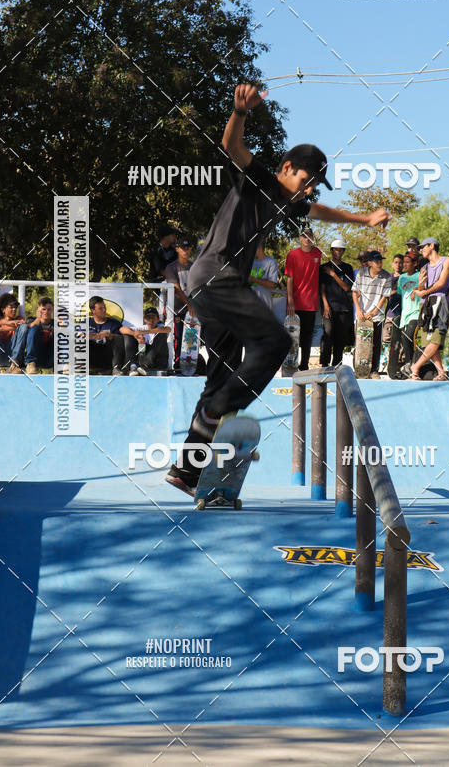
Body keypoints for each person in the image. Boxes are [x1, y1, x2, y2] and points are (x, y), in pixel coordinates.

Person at [166, 82, 390, 494]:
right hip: (218, 277)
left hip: (207, 283)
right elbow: (232, 146)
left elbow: (320, 210)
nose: (306, 191)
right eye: (304, 180)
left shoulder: (290, 200)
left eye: (311, 186)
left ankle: (186, 469)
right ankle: (221, 409)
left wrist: (363, 220)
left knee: (221, 372)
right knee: (273, 342)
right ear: (286, 167)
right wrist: (241, 112)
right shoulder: (257, 180)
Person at [410, 238, 449, 380]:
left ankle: (415, 366)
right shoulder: (425, 267)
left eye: (423, 247)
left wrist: (424, 291)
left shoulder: (446, 261)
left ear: (432, 246)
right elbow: (421, 288)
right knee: (429, 341)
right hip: (425, 304)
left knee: (436, 339)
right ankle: (441, 372)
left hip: (440, 303)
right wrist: (420, 284)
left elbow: (442, 283)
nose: (420, 250)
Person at [285, 228, 322, 371]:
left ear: (312, 238)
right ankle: (290, 364)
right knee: (292, 337)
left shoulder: (318, 253)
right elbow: (289, 279)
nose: (307, 239)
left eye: (309, 236)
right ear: (300, 238)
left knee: (307, 338)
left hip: (311, 303)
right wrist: (290, 302)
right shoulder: (292, 255)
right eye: (304, 236)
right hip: (295, 303)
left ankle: (304, 366)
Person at [351, 251, 391, 378]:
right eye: (376, 261)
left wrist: (375, 311)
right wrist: (358, 309)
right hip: (362, 313)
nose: (379, 264)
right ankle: (358, 370)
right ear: (369, 263)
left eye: (381, 261)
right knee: (360, 342)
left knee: (376, 343)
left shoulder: (386, 276)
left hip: (376, 314)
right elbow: (354, 292)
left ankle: (374, 370)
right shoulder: (361, 273)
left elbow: (384, 296)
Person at [320, 239, 354, 367]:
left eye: (340, 250)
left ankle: (337, 365)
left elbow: (347, 287)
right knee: (328, 333)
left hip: (343, 307)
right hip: (329, 307)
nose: (338, 252)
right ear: (331, 250)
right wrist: (325, 305)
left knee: (340, 339)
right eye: (335, 249)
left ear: (343, 251)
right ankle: (324, 364)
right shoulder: (324, 267)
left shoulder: (348, 268)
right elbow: (321, 288)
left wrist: (334, 275)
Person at [164, 238, 195, 370]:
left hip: (193, 310)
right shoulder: (172, 267)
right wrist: (189, 305)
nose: (186, 251)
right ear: (177, 249)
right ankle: (177, 366)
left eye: (188, 248)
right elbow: (176, 289)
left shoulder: (194, 266)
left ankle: (190, 366)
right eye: (183, 248)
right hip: (177, 310)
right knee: (178, 338)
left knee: (192, 340)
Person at [0, 293, 28, 373]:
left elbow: (21, 326)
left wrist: (0, 329)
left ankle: (15, 364)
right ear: (3, 309)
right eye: (11, 307)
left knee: (23, 327)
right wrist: (6, 322)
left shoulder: (19, 318)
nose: (14, 309)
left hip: (13, 356)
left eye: (15, 308)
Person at [120, 307, 171, 375]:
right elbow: (122, 329)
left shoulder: (160, 326)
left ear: (158, 319)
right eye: (148, 318)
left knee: (161, 334)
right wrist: (135, 335)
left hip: (158, 361)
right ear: (145, 320)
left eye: (153, 318)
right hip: (142, 359)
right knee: (128, 335)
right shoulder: (142, 328)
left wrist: (145, 332)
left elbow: (168, 329)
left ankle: (146, 364)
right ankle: (133, 366)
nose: (151, 320)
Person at [394, 253, 421, 378]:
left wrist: (417, 290)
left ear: (415, 264)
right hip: (405, 314)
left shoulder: (420, 275)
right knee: (405, 340)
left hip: (416, 313)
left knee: (409, 336)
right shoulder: (402, 277)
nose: (404, 264)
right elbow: (400, 294)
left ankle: (414, 365)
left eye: (407, 262)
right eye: (403, 262)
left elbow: (424, 289)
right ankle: (409, 366)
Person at [88, 296, 127, 376]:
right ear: (93, 310)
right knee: (79, 339)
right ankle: (80, 367)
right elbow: (78, 336)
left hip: (108, 357)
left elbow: (121, 341)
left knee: (119, 338)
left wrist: (109, 335)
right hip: (92, 356)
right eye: (100, 308)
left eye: (104, 307)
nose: (104, 310)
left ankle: (116, 368)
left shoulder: (115, 323)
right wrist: (95, 336)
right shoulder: (85, 323)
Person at [382, 253, 404, 377]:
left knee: (401, 340)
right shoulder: (388, 277)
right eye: (396, 262)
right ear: (392, 264)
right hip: (391, 312)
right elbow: (385, 293)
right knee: (387, 337)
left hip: (403, 312)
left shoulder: (406, 277)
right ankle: (389, 361)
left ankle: (399, 365)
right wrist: (395, 291)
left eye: (401, 262)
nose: (398, 265)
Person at [25, 297, 54, 374]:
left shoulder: (55, 323)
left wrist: (63, 326)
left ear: (52, 310)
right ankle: (30, 363)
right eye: (43, 309)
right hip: (36, 357)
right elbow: (28, 328)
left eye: (49, 309)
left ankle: (64, 364)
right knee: (33, 329)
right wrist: (38, 318)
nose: (46, 312)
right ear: (38, 311)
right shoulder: (31, 320)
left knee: (63, 330)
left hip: (51, 357)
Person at [250, 240, 278, 309]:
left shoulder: (271, 262)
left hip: (265, 307)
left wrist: (253, 279)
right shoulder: (250, 262)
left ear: (259, 248)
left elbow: (272, 285)